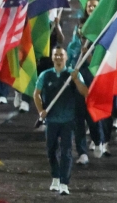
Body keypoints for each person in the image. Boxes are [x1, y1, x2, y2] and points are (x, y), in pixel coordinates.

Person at [34, 45, 89, 195]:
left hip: (68, 120)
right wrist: (41, 111)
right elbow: (36, 94)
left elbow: (85, 92)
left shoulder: (73, 74)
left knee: (66, 151)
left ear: (66, 57)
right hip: (51, 120)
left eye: (61, 55)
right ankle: (55, 177)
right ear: (52, 58)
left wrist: (76, 80)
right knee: (51, 149)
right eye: (56, 55)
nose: (58, 58)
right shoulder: (45, 75)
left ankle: (65, 183)